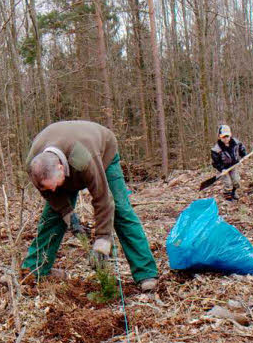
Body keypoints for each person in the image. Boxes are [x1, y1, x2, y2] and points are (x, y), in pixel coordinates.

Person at [21, 120, 158, 291]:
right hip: (67, 159)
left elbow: (103, 199)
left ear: (60, 167)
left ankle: (145, 272)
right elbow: (49, 194)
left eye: (56, 184)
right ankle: (35, 270)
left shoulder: (84, 158)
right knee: (52, 218)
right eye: (50, 187)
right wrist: (68, 214)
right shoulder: (34, 167)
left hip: (103, 152)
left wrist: (102, 240)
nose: (55, 190)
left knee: (121, 210)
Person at [210, 124, 247, 200]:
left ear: (230, 135)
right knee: (228, 183)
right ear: (220, 137)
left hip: (233, 165)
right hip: (223, 168)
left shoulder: (236, 143)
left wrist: (243, 154)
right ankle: (228, 196)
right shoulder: (216, 149)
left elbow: (241, 148)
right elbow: (215, 162)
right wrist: (221, 169)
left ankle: (234, 192)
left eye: (227, 136)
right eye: (223, 137)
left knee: (236, 180)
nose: (226, 138)